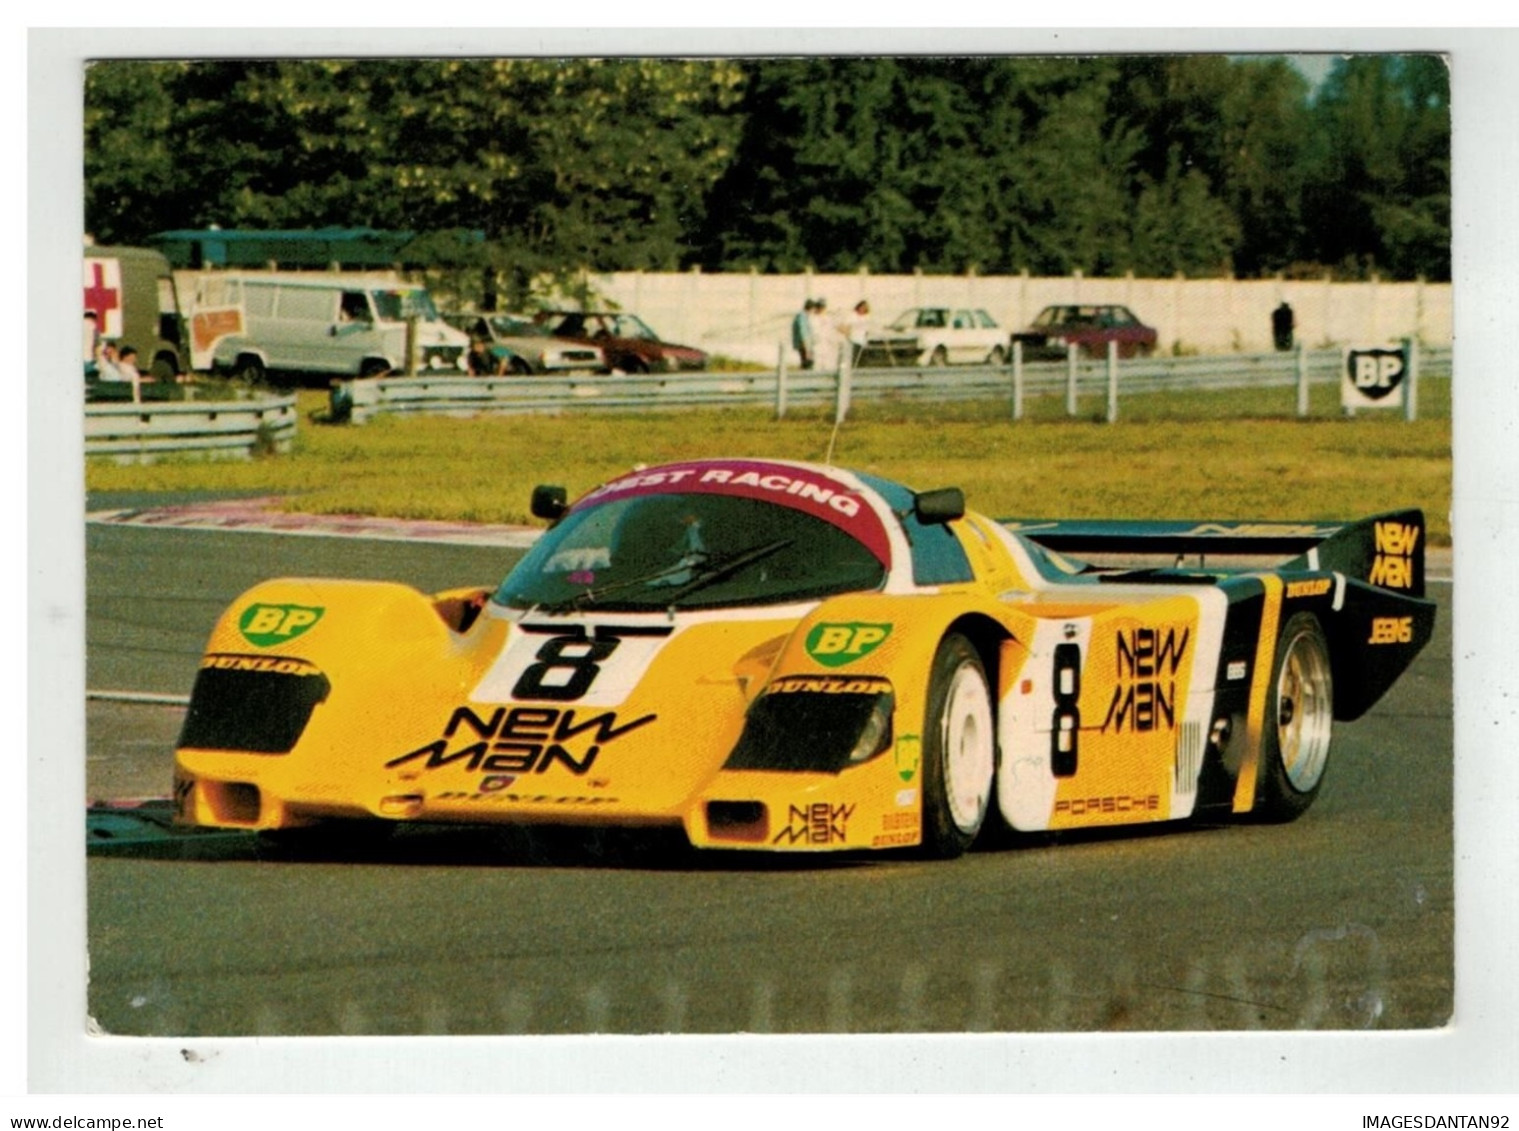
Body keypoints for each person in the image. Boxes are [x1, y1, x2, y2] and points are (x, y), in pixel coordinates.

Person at [791, 299, 817, 370]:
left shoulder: (803, 316)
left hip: (805, 344)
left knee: (806, 363)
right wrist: (806, 346)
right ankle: (804, 379)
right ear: (811, 308)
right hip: (804, 345)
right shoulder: (802, 317)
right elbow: (803, 332)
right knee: (807, 364)